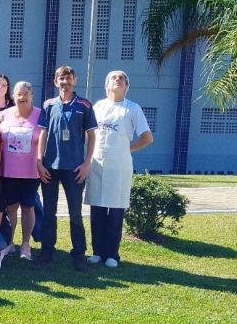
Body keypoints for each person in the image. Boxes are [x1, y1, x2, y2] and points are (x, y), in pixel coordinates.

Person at [84, 70, 153, 267]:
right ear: (106, 85)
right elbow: (89, 134)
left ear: (127, 86)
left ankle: (112, 255)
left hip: (119, 166)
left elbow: (147, 137)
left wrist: (128, 148)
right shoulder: (98, 107)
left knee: (115, 211)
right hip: (97, 164)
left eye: (122, 78)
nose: (118, 80)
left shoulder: (132, 108)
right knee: (97, 209)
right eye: (113, 78)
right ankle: (97, 252)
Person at [36, 65, 97, 270]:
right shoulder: (48, 105)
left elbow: (92, 136)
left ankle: (79, 255)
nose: (65, 82)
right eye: (62, 78)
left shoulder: (84, 105)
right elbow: (43, 134)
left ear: (75, 81)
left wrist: (87, 163)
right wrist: (39, 161)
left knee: (75, 213)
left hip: (75, 169)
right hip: (50, 167)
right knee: (49, 212)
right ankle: (47, 252)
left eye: (69, 78)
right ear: (56, 82)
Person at [0, 80, 43, 260]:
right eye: (18, 94)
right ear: (13, 96)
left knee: (28, 207)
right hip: (8, 171)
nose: (22, 97)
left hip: (31, 171)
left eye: (25, 94)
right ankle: (10, 243)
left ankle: (25, 244)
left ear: (32, 96)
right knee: (11, 208)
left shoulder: (41, 115)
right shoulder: (2, 116)